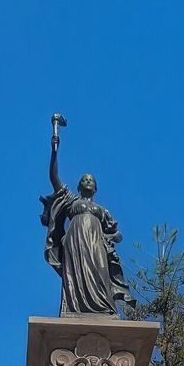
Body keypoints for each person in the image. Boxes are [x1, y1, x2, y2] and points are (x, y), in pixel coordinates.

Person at [40, 129, 131, 316]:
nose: (88, 181)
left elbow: (117, 233)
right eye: (84, 179)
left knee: (100, 271)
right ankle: (74, 306)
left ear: (95, 188)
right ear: (79, 186)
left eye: (91, 180)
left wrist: (108, 238)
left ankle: (104, 307)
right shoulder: (72, 200)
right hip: (76, 241)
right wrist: (54, 151)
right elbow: (54, 177)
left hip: (96, 242)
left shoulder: (102, 211)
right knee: (75, 275)